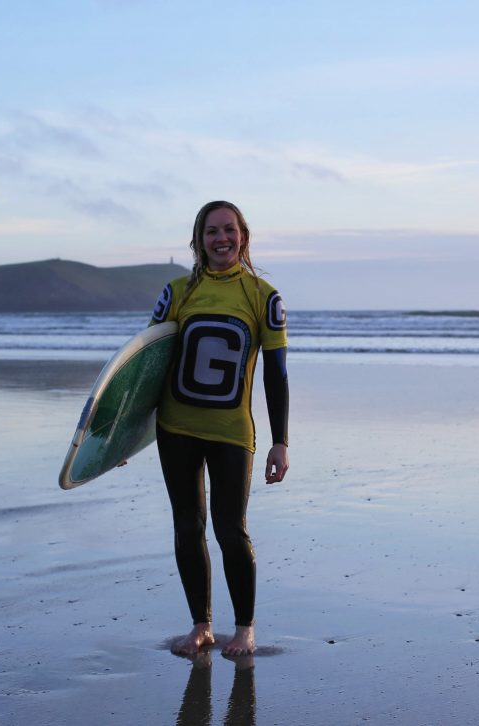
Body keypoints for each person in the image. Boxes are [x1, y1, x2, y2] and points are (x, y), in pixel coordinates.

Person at [150, 200, 290, 657]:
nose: (221, 239)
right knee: (187, 527)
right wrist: (120, 436)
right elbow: (147, 367)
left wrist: (280, 442)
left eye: (229, 230)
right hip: (176, 427)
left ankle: (245, 628)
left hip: (232, 431)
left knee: (231, 531)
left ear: (243, 236)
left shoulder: (264, 297)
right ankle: (201, 626)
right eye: (211, 231)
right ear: (198, 240)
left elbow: (276, 376)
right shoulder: (176, 293)